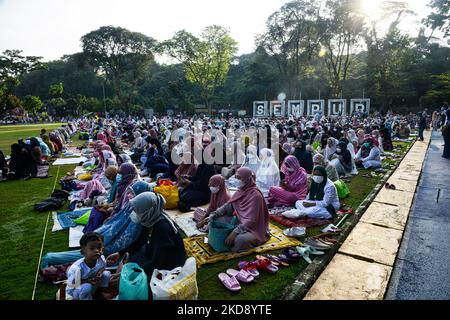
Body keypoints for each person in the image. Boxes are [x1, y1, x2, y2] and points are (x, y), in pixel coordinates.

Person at [106, 192, 187, 280]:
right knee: (128, 261)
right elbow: (140, 240)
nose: (135, 213)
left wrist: (132, 272)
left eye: (137, 210)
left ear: (148, 210)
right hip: (156, 258)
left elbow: (159, 262)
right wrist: (119, 253)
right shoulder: (150, 220)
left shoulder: (162, 228)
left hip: (169, 266)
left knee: (134, 278)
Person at [197, 167, 270, 252]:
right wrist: (210, 217)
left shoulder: (255, 195)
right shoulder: (239, 191)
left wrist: (234, 233)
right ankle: (226, 239)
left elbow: (251, 221)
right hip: (239, 222)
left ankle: (229, 243)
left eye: (239, 178)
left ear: (247, 179)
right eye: (236, 177)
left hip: (254, 228)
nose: (236, 180)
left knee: (240, 240)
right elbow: (226, 207)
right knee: (216, 220)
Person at [66, 232, 113, 300]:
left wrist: (100, 272)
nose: (96, 250)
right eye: (92, 248)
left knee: (106, 274)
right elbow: (73, 284)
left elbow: (103, 268)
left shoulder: (101, 259)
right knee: (86, 288)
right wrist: (88, 281)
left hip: (93, 282)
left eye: (99, 247)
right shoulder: (77, 268)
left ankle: (102, 291)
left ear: (102, 249)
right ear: (82, 252)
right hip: (77, 289)